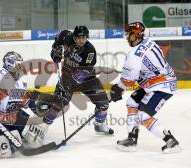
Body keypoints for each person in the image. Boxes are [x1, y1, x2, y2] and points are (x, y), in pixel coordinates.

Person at [110, 22, 181, 153]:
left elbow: (129, 81)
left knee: (143, 116)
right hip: (156, 82)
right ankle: (132, 139)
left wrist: (118, 89)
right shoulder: (148, 41)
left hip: (162, 86)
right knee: (132, 102)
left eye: (129, 34)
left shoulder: (134, 55)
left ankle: (171, 141)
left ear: (136, 35)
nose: (127, 37)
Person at [39, 26, 114, 135]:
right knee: (60, 101)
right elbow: (57, 41)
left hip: (88, 79)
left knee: (103, 103)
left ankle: (99, 125)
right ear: (73, 36)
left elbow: (84, 72)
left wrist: (70, 84)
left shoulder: (89, 51)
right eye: (78, 37)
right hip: (67, 76)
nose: (81, 40)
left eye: (84, 38)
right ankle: (43, 127)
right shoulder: (66, 36)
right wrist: (55, 52)